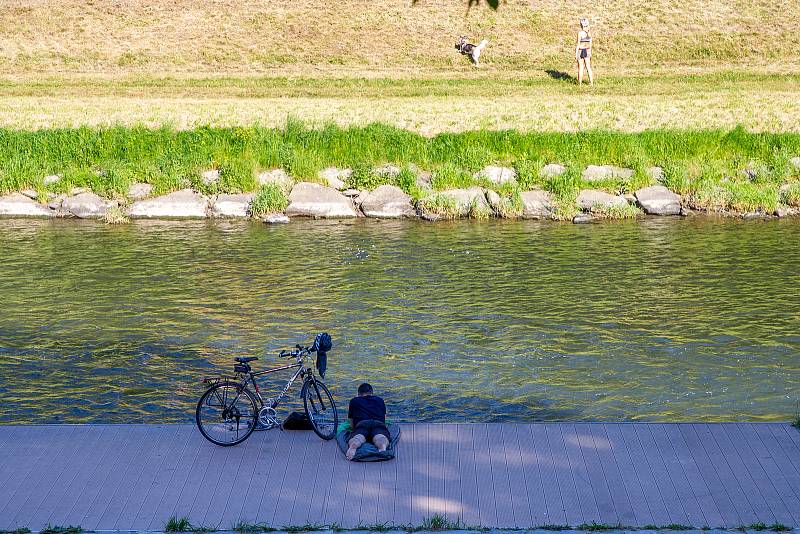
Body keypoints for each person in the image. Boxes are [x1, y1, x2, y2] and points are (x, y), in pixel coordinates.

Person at [346, 382, 390, 460]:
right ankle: (382, 447)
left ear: (358, 394)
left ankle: (353, 446)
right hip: (378, 423)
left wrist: (354, 430)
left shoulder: (354, 401)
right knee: (380, 437)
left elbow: (351, 425)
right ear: (372, 393)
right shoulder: (380, 400)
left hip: (362, 423)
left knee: (358, 437)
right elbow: (384, 420)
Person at [575, 18, 594, 86]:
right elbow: (590, 44)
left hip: (581, 51)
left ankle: (579, 83)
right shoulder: (589, 33)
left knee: (581, 67)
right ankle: (591, 83)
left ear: (581, 25)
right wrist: (590, 52)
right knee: (588, 67)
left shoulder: (580, 33)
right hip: (588, 50)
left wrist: (576, 54)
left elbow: (578, 44)